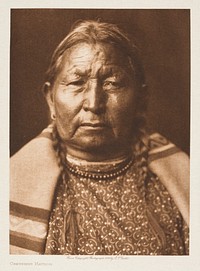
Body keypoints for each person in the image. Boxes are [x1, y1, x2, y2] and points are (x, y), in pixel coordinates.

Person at [10, 20, 189, 255]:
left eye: (112, 83)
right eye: (76, 83)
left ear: (141, 100)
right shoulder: (12, 185)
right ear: (50, 99)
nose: (94, 104)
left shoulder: (182, 181)